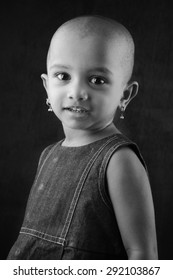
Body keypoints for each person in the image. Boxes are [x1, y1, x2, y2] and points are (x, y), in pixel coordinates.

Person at [7, 15, 158, 260]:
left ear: (125, 95)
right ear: (47, 87)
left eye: (97, 80)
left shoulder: (118, 160)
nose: (76, 92)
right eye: (63, 76)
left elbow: (143, 254)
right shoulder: (48, 155)